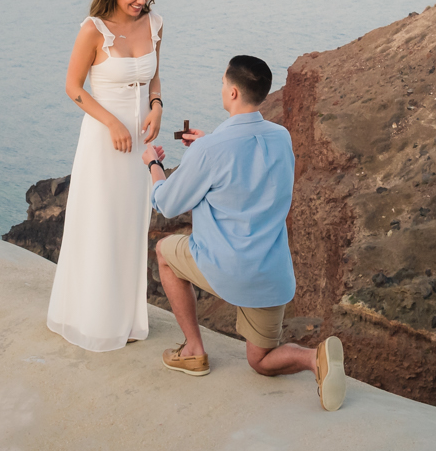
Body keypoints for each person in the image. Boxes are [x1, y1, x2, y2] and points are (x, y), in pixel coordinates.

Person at [143, 55, 345, 411]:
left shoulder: (210, 151)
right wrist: (209, 146)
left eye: (223, 84)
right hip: (271, 273)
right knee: (261, 361)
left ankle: (192, 349)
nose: (221, 88)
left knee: (164, 253)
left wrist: (154, 165)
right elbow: (246, 166)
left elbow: (167, 203)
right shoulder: (281, 136)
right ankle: (315, 359)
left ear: (233, 92)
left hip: (227, 267)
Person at [45, 0, 162, 351]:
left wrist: (158, 104)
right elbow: (73, 87)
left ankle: (125, 319)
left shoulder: (155, 24)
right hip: (104, 141)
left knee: (131, 223)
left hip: (139, 143)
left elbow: (155, 73)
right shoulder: (93, 30)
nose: (141, 0)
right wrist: (111, 123)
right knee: (100, 221)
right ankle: (91, 319)